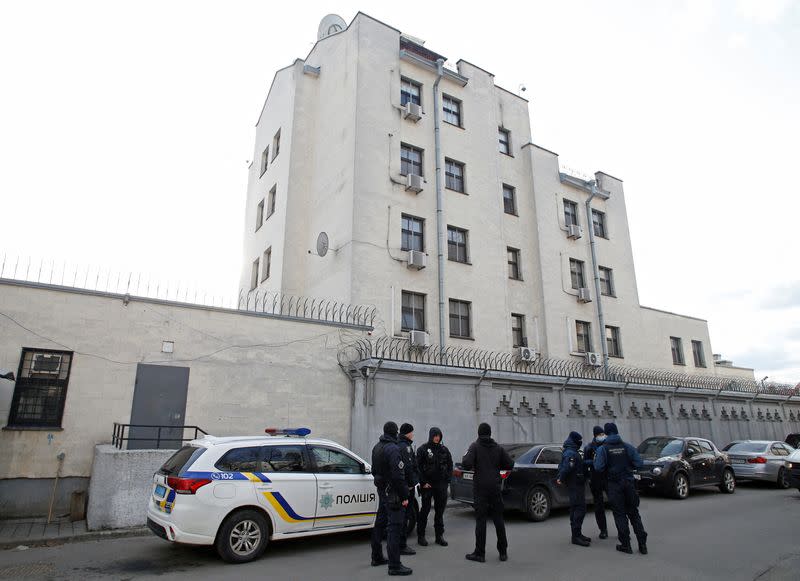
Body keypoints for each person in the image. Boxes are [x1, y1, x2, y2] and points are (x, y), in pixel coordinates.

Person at [462, 422, 514, 563]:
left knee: (481, 521)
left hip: (480, 489)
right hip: (495, 488)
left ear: (479, 433)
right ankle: (503, 552)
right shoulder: (498, 448)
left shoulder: (475, 446)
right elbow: (510, 464)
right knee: (498, 519)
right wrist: (495, 467)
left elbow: (466, 463)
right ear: (490, 433)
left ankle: (480, 553)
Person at [593, 422, 648, 555]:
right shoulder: (627, 446)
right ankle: (642, 545)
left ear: (606, 433)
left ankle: (626, 545)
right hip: (629, 483)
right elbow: (639, 463)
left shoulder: (603, 449)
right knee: (634, 513)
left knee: (619, 514)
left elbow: (598, 467)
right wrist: (628, 467)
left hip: (614, 485)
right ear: (617, 432)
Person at [370, 421, 413, 576]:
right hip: (393, 494)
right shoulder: (393, 449)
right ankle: (394, 565)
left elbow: (374, 471)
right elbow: (398, 476)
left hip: (382, 491)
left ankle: (376, 556)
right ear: (396, 432)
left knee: (380, 523)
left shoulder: (377, 447)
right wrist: (405, 496)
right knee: (394, 528)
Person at [416, 427, 453, 547]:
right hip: (428, 485)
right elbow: (418, 467)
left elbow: (450, 465)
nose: (437, 437)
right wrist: (423, 482)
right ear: (431, 436)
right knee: (425, 510)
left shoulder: (444, 450)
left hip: (441, 485)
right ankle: (421, 536)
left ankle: (439, 536)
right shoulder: (423, 449)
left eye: (439, 435)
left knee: (439, 511)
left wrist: (447, 479)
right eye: (435, 435)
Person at [556, 431, 590, 547]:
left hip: (577, 483)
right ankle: (575, 536)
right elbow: (567, 467)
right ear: (575, 441)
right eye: (579, 441)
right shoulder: (571, 452)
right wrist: (561, 477)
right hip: (575, 484)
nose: (581, 443)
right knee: (579, 509)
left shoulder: (572, 450)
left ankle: (577, 534)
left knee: (577, 508)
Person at [583, 425, 609, 539]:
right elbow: (585, 462)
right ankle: (603, 530)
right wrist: (594, 462)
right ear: (595, 436)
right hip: (596, 479)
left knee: (616, 503)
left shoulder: (608, 445)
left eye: (603, 434)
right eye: (600, 434)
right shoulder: (589, 447)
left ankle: (622, 529)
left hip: (608, 478)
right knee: (599, 506)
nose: (602, 436)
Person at [398, 423, 418, 555]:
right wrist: (412, 483)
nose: (413, 434)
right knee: (404, 517)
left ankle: (400, 543)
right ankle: (402, 545)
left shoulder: (402, 444)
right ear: (408, 433)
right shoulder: (405, 447)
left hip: (403, 485)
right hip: (407, 486)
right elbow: (409, 467)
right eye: (412, 432)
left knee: (402, 516)